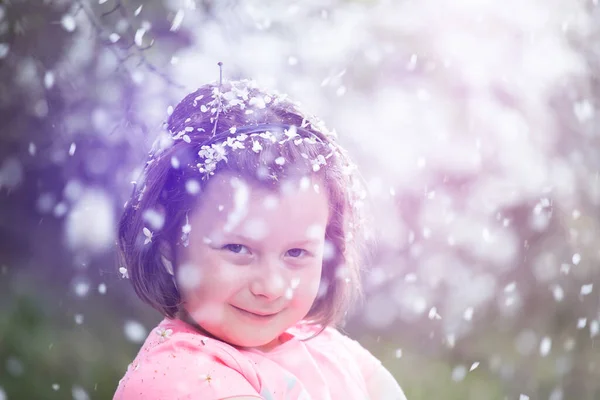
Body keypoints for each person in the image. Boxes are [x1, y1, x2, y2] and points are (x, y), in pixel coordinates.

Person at [113, 78, 406, 399]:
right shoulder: (177, 376)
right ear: (169, 242)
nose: (271, 287)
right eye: (238, 249)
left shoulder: (328, 349)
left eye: (296, 253)